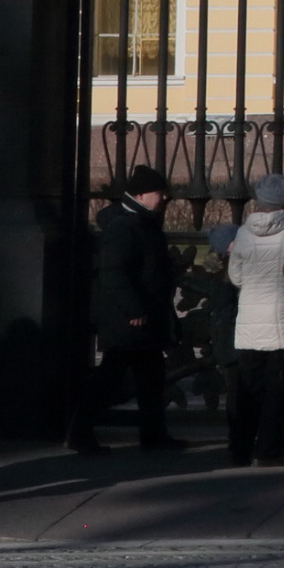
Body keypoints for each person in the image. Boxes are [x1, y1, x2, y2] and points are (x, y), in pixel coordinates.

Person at [76, 165, 184, 454]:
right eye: (160, 193)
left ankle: (153, 435)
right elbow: (114, 272)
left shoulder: (141, 222)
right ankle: (79, 431)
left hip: (142, 317)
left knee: (151, 379)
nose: (165, 198)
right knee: (110, 379)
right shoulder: (126, 226)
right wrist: (133, 309)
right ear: (140, 195)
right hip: (130, 320)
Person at [225, 175, 284, 465]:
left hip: (249, 321)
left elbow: (235, 276)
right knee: (279, 389)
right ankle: (270, 446)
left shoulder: (244, 233)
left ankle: (239, 446)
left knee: (248, 389)